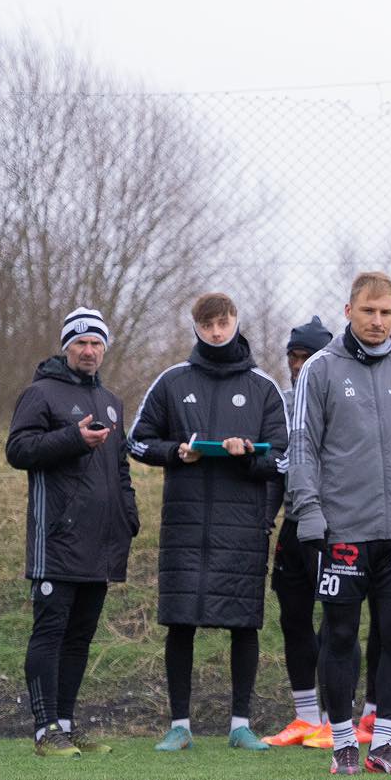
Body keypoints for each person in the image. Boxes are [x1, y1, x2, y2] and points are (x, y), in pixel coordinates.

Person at [289, 271, 391, 776]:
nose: (377, 321)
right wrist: (308, 511)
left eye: (385, 312)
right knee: (339, 633)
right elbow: (302, 447)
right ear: (349, 312)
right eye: (368, 311)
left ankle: (382, 743)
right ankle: (341, 744)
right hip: (343, 530)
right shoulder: (319, 369)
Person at [128, 292, 288, 753]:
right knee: (180, 623)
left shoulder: (262, 387)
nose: (216, 332)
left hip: (242, 528)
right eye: (207, 325)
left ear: (236, 321)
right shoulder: (173, 382)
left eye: (223, 323)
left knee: (244, 625)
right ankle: (180, 725)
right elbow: (137, 443)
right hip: (185, 524)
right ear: (195, 328)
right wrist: (178, 452)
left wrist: (248, 457)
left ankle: (241, 725)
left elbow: (283, 457)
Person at [6, 306, 138, 758]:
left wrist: (128, 516)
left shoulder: (112, 401)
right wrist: (72, 439)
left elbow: (119, 468)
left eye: (96, 342)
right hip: (56, 540)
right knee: (51, 632)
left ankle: (65, 722)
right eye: (80, 342)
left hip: (100, 543)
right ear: (66, 347)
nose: (89, 350)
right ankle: (44, 731)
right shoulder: (40, 394)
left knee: (80, 636)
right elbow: (18, 450)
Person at [261, 315, 336, 749]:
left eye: (308, 356)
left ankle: (333, 717)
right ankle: (305, 716)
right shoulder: (279, 403)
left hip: (332, 523)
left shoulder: (338, 398)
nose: (299, 363)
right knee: (293, 618)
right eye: (294, 355)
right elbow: (272, 461)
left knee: (334, 621)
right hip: (293, 524)